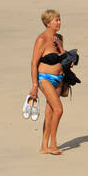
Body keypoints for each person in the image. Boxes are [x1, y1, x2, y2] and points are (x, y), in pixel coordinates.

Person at [29, 9, 67, 156]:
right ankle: (53, 144)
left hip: (59, 78)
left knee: (50, 112)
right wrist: (34, 86)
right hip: (45, 78)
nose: (59, 22)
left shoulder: (59, 38)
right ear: (47, 23)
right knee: (59, 110)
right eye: (56, 20)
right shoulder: (41, 40)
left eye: (59, 19)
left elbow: (62, 57)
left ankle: (44, 146)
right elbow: (33, 63)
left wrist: (67, 59)